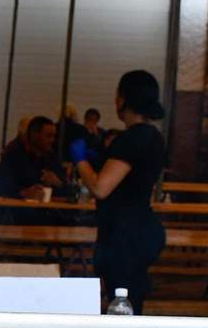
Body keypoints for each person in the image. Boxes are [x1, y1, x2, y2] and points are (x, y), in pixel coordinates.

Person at [69, 71, 167, 315]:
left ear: (125, 99)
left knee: (123, 303)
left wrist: (81, 161)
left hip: (124, 236)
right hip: (139, 229)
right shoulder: (153, 136)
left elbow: (101, 188)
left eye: (117, 96)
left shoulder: (133, 138)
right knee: (132, 300)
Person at [0, 116, 62, 199]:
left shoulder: (51, 155)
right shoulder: (14, 154)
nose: (52, 140)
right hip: (17, 208)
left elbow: (68, 189)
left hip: (46, 208)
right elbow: (0, 188)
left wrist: (58, 183)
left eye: (54, 136)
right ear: (35, 135)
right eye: (49, 136)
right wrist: (23, 193)